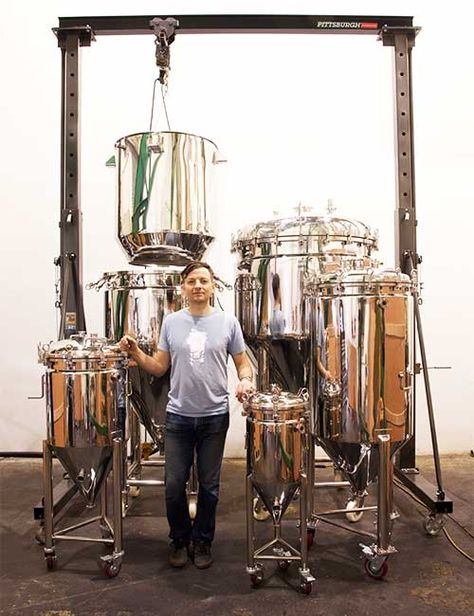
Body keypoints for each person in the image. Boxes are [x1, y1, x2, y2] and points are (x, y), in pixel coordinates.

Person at [119, 261, 253, 570]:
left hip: (215, 416)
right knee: (173, 484)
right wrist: (137, 354)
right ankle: (179, 539)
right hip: (178, 416)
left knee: (209, 486)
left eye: (203, 280)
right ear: (183, 287)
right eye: (192, 281)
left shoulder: (228, 322)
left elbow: (243, 363)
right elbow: (160, 367)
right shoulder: (172, 323)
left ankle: (202, 541)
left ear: (212, 286)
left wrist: (245, 380)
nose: (198, 286)